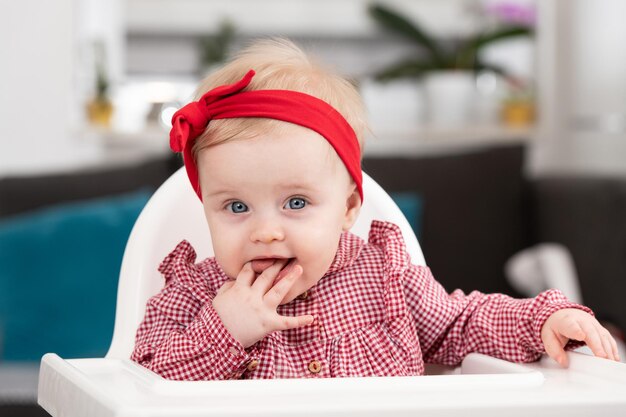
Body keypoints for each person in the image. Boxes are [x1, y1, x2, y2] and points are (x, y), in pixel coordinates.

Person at [131, 38, 620, 380]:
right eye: (236, 206)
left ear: (347, 208)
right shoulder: (191, 298)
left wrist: (542, 320)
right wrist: (224, 330)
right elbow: (140, 383)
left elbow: (464, 324)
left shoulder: (386, 281)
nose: (266, 232)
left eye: (296, 203)